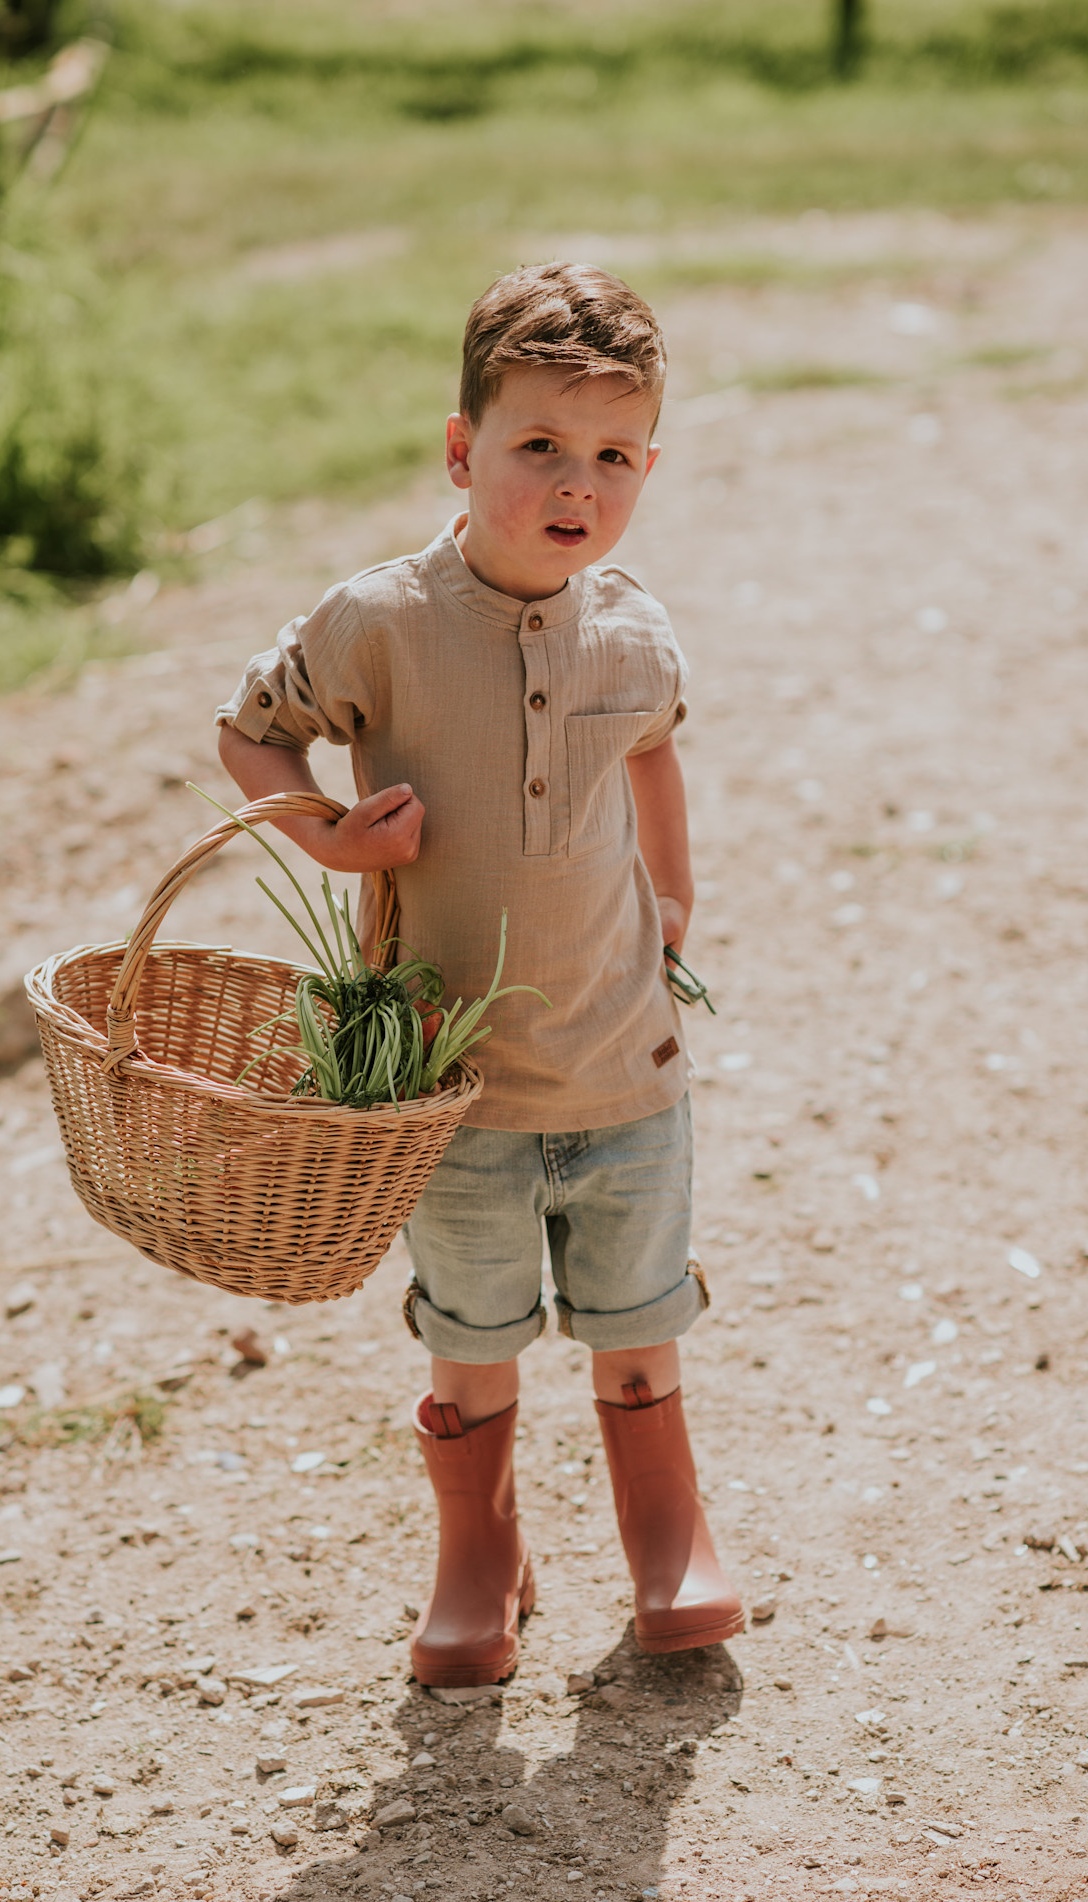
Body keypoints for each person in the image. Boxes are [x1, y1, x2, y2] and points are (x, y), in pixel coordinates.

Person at [216, 262, 742, 1687]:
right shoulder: (379, 621)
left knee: (638, 1330)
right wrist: (326, 835)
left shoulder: (634, 628)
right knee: (473, 1340)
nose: (579, 485)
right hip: (451, 1090)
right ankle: (479, 1560)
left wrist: (677, 895)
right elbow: (254, 730)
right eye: (540, 449)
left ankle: (667, 1540)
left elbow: (654, 753)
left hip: (621, 1065)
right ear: (462, 450)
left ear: (648, 466)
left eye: (615, 457)